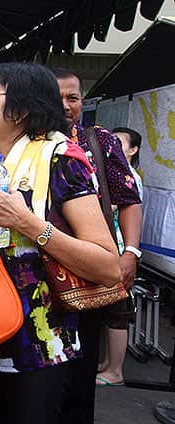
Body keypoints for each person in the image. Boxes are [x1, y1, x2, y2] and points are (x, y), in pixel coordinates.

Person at [0, 62, 120, 424]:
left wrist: (29, 224)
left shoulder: (62, 160)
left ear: (23, 109)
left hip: (42, 347)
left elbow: (108, 265)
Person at [53, 68, 142, 424]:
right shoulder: (22, 141)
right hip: (36, 283)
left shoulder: (98, 140)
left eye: (73, 98)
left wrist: (131, 253)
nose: (66, 105)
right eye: (57, 97)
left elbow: (128, 198)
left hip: (89, 277)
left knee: (80, 366)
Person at [94, 126, 144, 388]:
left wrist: (130, 255)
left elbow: (123, 206)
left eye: (119, 143)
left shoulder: (130, 177)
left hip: (120, 251)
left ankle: (115, 371)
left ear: (133, 150)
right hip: (110, 251)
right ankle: (106, 364)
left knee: (117, 313)